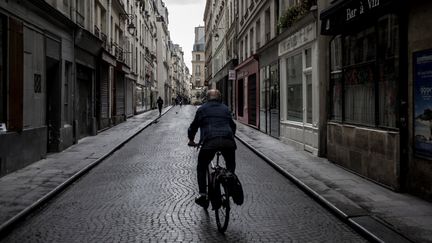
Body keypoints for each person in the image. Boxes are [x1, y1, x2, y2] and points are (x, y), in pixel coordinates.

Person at [187, 89, 236, 208]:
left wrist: (191, 140)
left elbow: (193, 127)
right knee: (230, 163)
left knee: (201, 167)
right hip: (227, 141)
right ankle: (230, 185)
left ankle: (203, 194)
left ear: (207, 98)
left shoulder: (202, 109)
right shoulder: (225, 108)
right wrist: (229, 137)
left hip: (209, 142)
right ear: (219, 98)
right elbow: (233, 126)